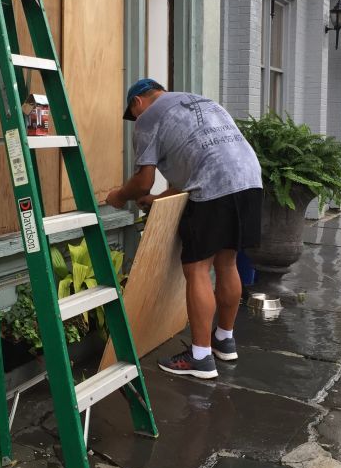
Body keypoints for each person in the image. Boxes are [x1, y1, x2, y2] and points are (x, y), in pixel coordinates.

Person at [106, 79, 263, 380]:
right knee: (227, 261)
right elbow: (191, 171)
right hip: (249, 181)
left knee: (197, 269)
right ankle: (224, 339)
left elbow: (143, 181)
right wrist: (158, 201)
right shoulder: (200, 102)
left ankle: (200, 357)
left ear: (137, 102)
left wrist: (119, 196)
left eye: (133, 114)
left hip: (214, 188)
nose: (135, 121)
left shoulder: (148, 118)